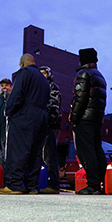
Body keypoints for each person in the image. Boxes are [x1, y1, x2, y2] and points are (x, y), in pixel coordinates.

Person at [0, 54, 49, 195]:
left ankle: (14, 186)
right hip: (41, 118)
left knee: (17, 151)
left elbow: (16, 95)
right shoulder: (44, 80)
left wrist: (8, 111)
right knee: (34, 153)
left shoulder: (24, 73)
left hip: (24, 116)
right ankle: (32, 186)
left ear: (21, 63)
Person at [70, 49, 107, 195]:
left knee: (87, 151)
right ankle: (102, 182)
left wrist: (73, 118)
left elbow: (80, 98)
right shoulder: (100, 76)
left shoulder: (83, 74)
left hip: (84, 119)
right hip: (96, 119)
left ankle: (92, 185)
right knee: (97, 149)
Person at [39, 65, 62, 194]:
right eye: (40, 73)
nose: (43, 75)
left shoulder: (52, 87)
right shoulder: (40, 87)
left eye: (45, 73)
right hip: (41, 126)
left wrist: (46, 122)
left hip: (50, 125)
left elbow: (54, 106)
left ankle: (53, 184)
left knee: (49, 155)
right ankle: (43, 183)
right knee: (41, 156)